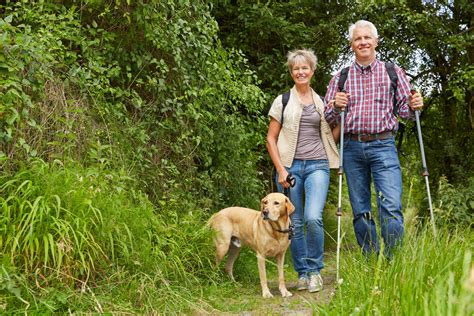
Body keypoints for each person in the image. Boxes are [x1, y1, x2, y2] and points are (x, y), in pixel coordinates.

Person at [324, 20, 424, 257]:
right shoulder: (340, 77)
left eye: (367, 37)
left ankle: (392, 262)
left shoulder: (393, 72)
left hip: (383, 144)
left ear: (376, 41)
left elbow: (405, 113)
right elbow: (328, 118)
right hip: (351, 146)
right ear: (351, 45)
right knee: (360, 210)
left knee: (390, 206)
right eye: (358, 39)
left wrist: (414, 105)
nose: (363, 42)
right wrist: (336, 107)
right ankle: (370, 259)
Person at [266, 49, 339, 292]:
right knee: (293, 222)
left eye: (304, 67)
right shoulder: (283, 100)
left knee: (312, 217)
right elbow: (271, 138)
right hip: (290, 167)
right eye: (296, 68)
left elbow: (331, 136)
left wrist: (342, 120)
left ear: (312, 70)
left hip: (318, 164)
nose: (300, 72)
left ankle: (316, 271)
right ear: (291, 72)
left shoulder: (322, 102)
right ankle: (303, 273)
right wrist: (280, 170)